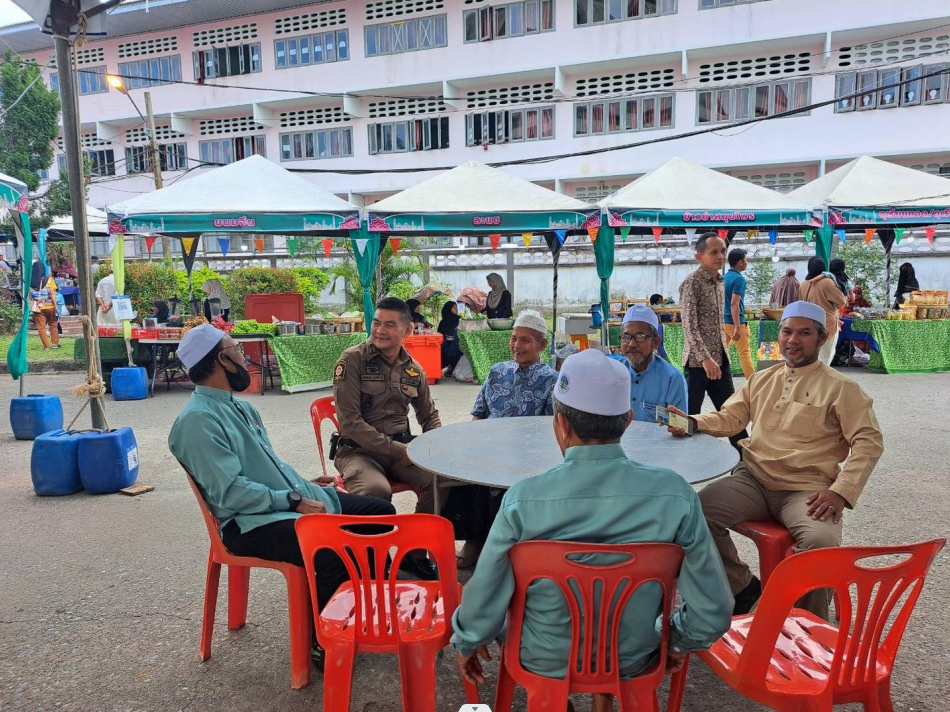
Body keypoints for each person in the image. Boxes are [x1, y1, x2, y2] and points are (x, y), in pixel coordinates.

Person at [453, 349, 733, 712]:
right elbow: (714, 609)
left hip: (543, 659)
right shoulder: (676, 495)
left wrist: (468, 639)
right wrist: (676, 641)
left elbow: (486, 594)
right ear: (628, 421)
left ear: (561, 423)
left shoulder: (523, 499)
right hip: (633, 658)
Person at [168, 325, 396, 666]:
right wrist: (293, 500)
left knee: (380, 513)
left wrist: (302, 485)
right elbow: (230, 493)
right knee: (332, 549)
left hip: (281, 503)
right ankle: (324, 641)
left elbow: (265, 465)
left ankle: (365, 605)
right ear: (222, 360)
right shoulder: (197, 421)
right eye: (237, 350)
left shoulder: (239, 407)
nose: (243, 357)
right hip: (249, 522)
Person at [665, 302, 883, 621]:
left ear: (822, 339)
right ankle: (742, 588)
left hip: (805, 489)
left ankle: (806, 626)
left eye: (804, 333)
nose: (793, 340)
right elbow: (731, 418)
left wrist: (841, 491)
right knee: (693, 515)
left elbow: (869, 440)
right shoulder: (762, 380)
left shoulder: (842, 388)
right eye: (787, 331)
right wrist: (692, 422)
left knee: (821, 543)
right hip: (752, 480)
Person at [332, 297, 442, 579]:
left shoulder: (413, 369)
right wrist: (397, 451)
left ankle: (412, 555)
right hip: (358, 451)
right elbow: (350, 423)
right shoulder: (352, 360)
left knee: (439, 481)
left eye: (390, 325)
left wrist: (438, 448)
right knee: (375, 492)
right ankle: (374, 561)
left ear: (408, 330)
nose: (380, 330)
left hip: (400, 449)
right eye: (377, 323)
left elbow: (429, 416)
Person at [448, 311, 558, 569]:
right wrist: (478, 446)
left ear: (542, 345)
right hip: (491, 448)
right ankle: (474, 542)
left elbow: (551, 429)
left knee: (505, 487)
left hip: (528, 455)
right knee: (462, 475)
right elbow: (479, 413)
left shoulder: (551, 380)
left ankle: (506, 548)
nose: (517, 345)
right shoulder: (497, 372)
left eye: (525, 340)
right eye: (514, 338)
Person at [679, 233, 741, 436]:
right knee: (690, 419)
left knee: (732, 415)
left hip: (720, 359)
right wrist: (705, 359)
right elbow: (689, 325)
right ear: (699, 257)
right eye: (713, 252)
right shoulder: (692, 283)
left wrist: (718, 357)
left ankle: (744, 454)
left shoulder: (720, 282)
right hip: (698, 364)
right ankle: (688, 456)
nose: (720, 256)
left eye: (723, 251)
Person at [612, 305, 686, 422]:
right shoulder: (612, 372)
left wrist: (679, 426)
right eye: (626, 336)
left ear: (655, 342)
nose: (631, 344)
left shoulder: (672, 380)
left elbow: (679, 425)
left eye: (640, 336)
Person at [799, 256, 846, 366]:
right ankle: (820, 377)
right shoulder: (827, 282)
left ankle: (810, 376)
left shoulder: (803, 284)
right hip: (826, 325)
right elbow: (841, 302)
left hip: (808, 325)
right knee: (825, 357)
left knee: (810, 357)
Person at [723, 248, 755, 380]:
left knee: (720, 353)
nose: (747, 262)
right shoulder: (739, 279)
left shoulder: (724, 278)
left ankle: (714, 381)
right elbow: (734, 303)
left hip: (724, 322)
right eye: (746, 260)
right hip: (736, 323)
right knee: (745, 354)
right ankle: (754, 384)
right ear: (740, 262)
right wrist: (737, 326)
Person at [31, 275, 60, 350]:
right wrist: (56, 307)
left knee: (41, 327)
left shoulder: (30, 280)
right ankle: (55, 344)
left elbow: (30, 296)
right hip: (50, 307)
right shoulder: (49, 279)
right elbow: (53, 294)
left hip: (38, 308)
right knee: (53, 324)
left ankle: (46, 346)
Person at [437, 300, 463, 376]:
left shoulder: (459, 320)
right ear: (448, 309)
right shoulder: (443, 322)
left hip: (457, 343)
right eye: (454, 307)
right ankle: (450, 367)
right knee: (448, 347)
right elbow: (440, 334)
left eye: (456, 307)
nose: (456, 309)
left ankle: (453, 367)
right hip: (446, 343)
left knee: (456, 347)